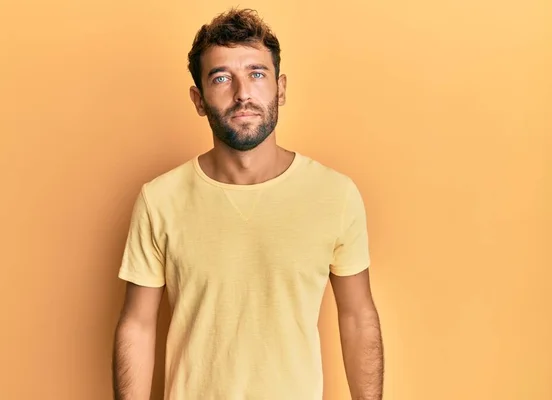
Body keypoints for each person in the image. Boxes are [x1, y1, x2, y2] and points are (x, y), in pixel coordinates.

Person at [112, 8, 384, 400]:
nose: (243, 93)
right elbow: (136, 325)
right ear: (199, 99)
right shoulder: (160, 200)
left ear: (281, 88)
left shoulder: (335, 194)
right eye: (221, 78)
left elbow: (359, 317)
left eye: (257, 74)